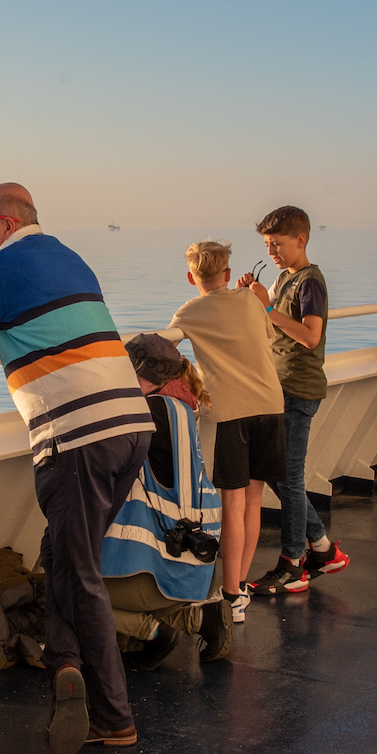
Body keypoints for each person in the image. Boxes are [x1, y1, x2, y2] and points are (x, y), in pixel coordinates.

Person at [0, 183, 153, 754]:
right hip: (131, 425)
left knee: (79, 569)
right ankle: (64, 663)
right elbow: (39, 320)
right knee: (62, 553)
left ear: (6, 222)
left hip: (78, 437)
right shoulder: (67, 256)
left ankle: (114, 717)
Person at [167, 240, 286, 622]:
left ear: (190, 277)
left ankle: (231, 595)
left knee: (232, 505)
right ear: (228, 274)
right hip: (270, 405)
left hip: (231, 413)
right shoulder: (251, 300)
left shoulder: (189, 311)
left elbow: (166, 350)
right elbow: (265, 337)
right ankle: (238, 588)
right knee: (253, 501)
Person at [101, 333, 229, 666]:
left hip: (159, 575)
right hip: (195, 568)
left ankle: (152, 630)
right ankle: (199, 617)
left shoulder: (148, 412)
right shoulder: (182, 410)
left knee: (66, 588)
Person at [244, 207, 350, 594]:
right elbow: (268, 322)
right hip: (278, 387)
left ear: (300, 240)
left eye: (277, 244)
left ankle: (293, 565)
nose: (271, 251)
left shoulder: (310, 282)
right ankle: (321, 548)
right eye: (267, 245)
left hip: (297, 390)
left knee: (287, 477)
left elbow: (309, 336)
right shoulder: (284, 277)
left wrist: (268, 307)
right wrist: (256, 301)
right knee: (279, 473)